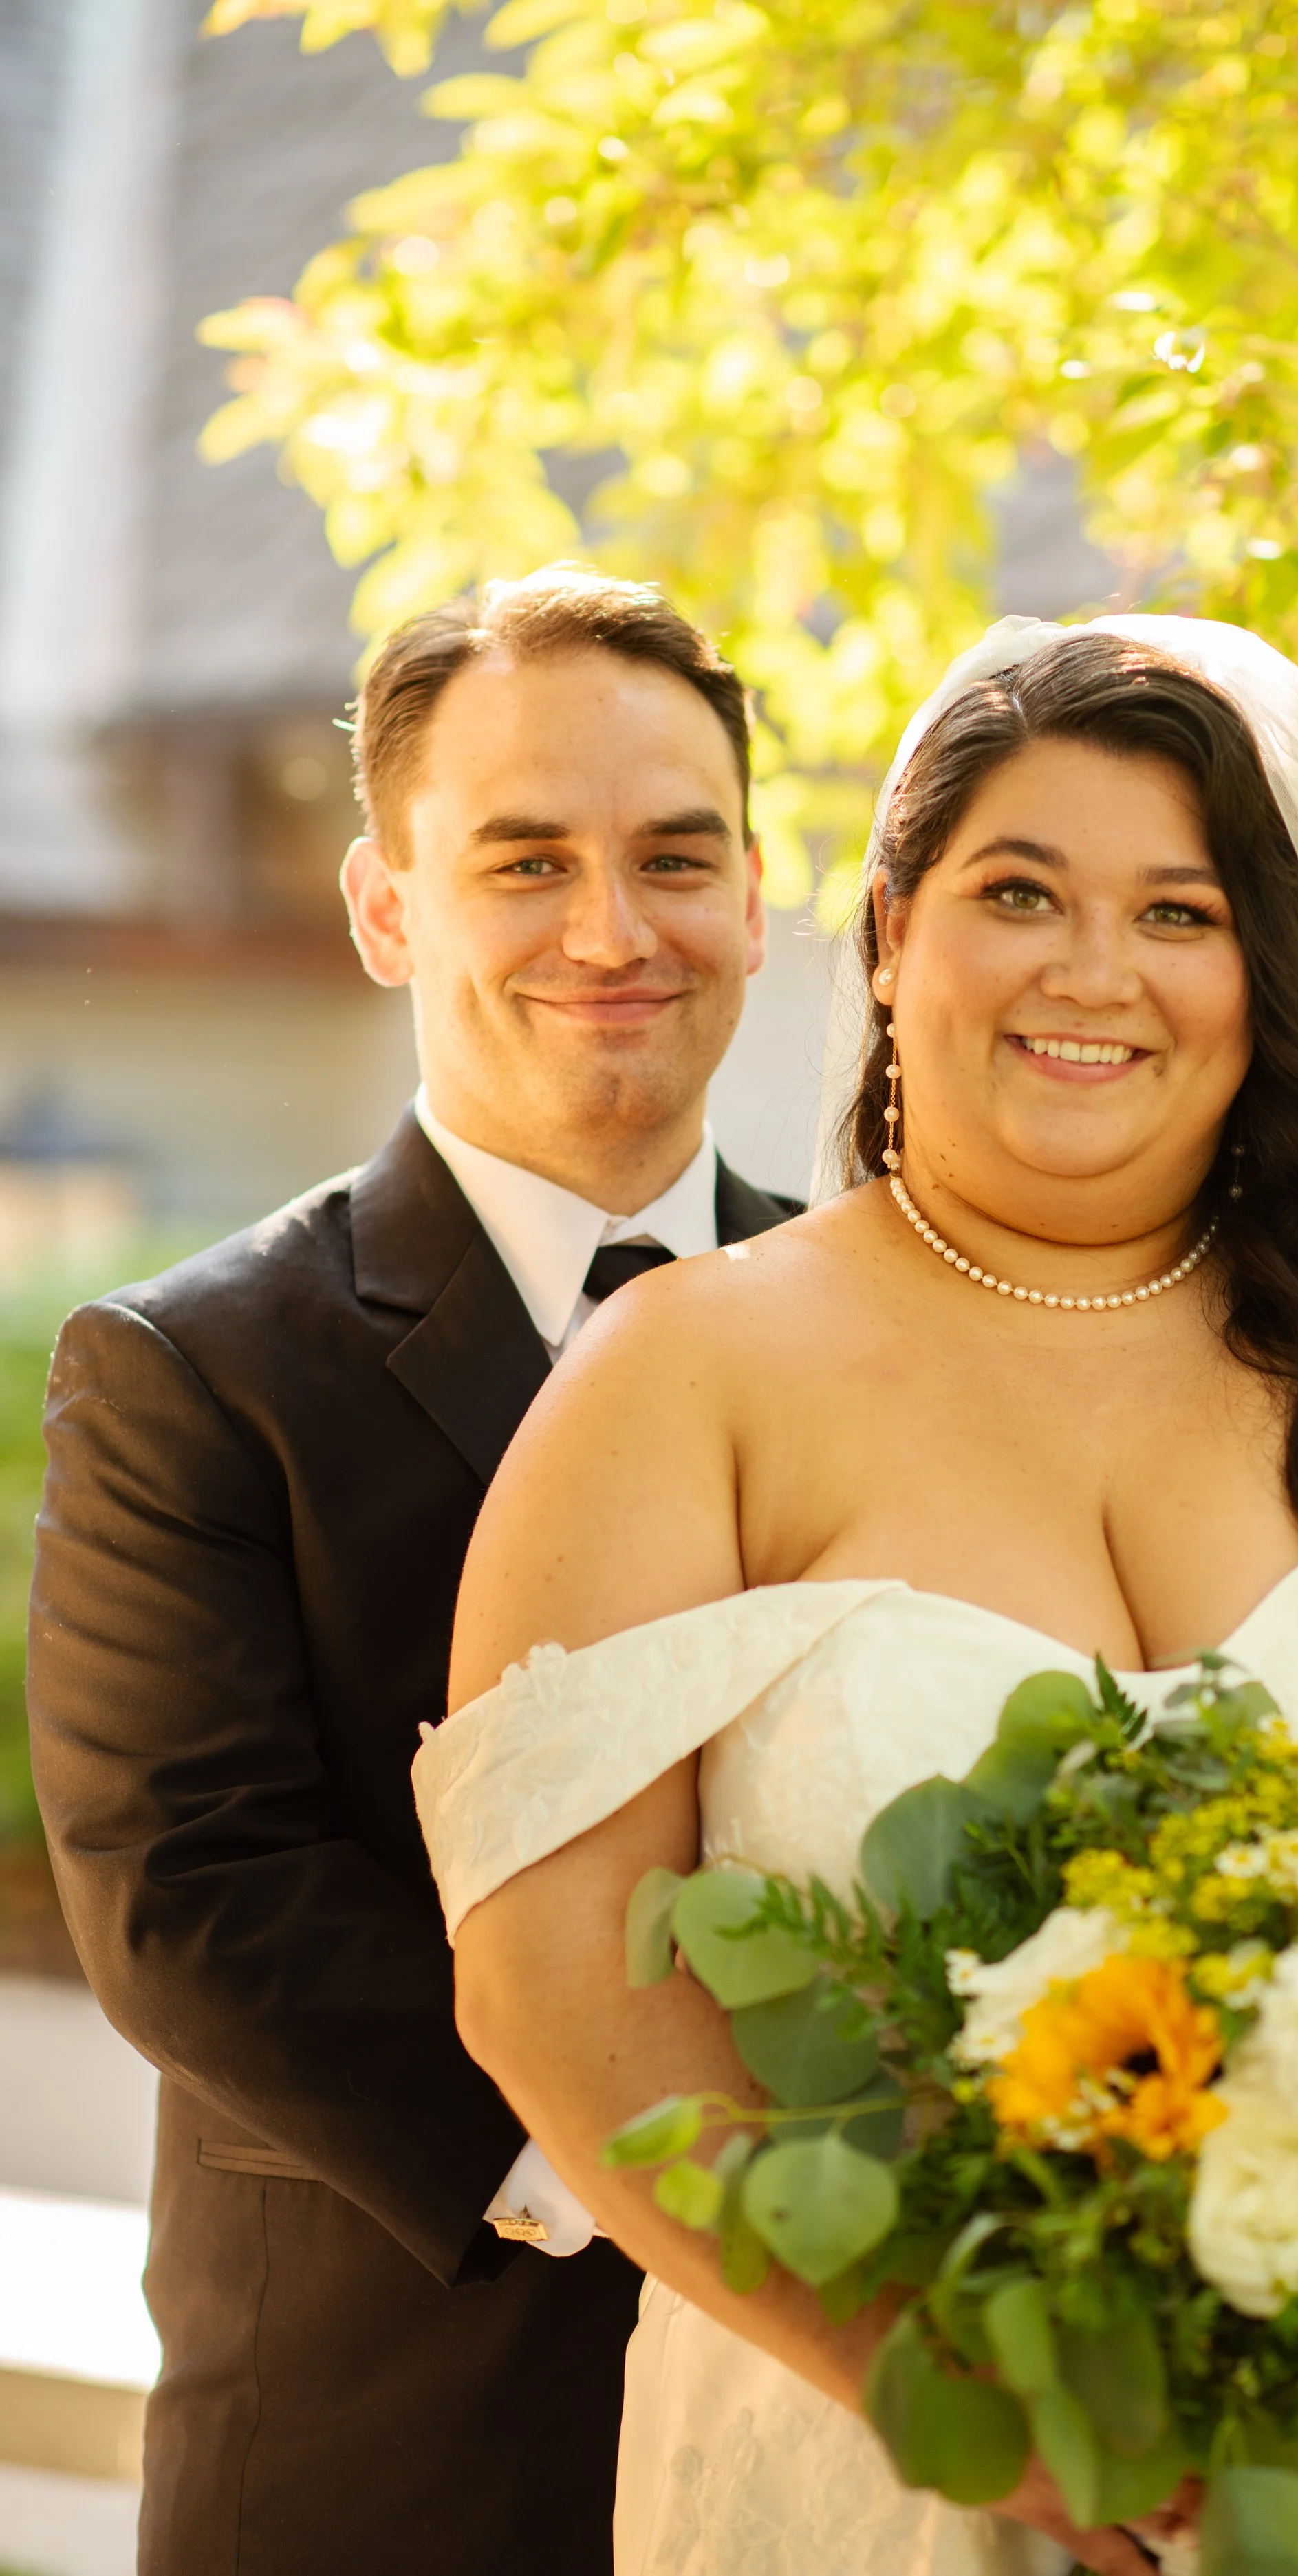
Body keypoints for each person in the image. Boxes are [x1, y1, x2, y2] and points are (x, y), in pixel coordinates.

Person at [413, 617, 1298, 2575]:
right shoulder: (679, 1377)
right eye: (1016, 893)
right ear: (888, 934)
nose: (1092, 972)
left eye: (1177, 913)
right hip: (885, 2467)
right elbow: (554, 1975)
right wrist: (946, 2383)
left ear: (1262, 979)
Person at [26, 565, 801, 2576]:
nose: (613, 932)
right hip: (397, 2446)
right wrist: (692, 2189)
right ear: (389, 909)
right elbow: (189, 1888)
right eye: (524, 861)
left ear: (755, 889)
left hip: (853, 2452)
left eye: (673, 856)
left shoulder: (880, 1318)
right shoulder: (191, 1368)